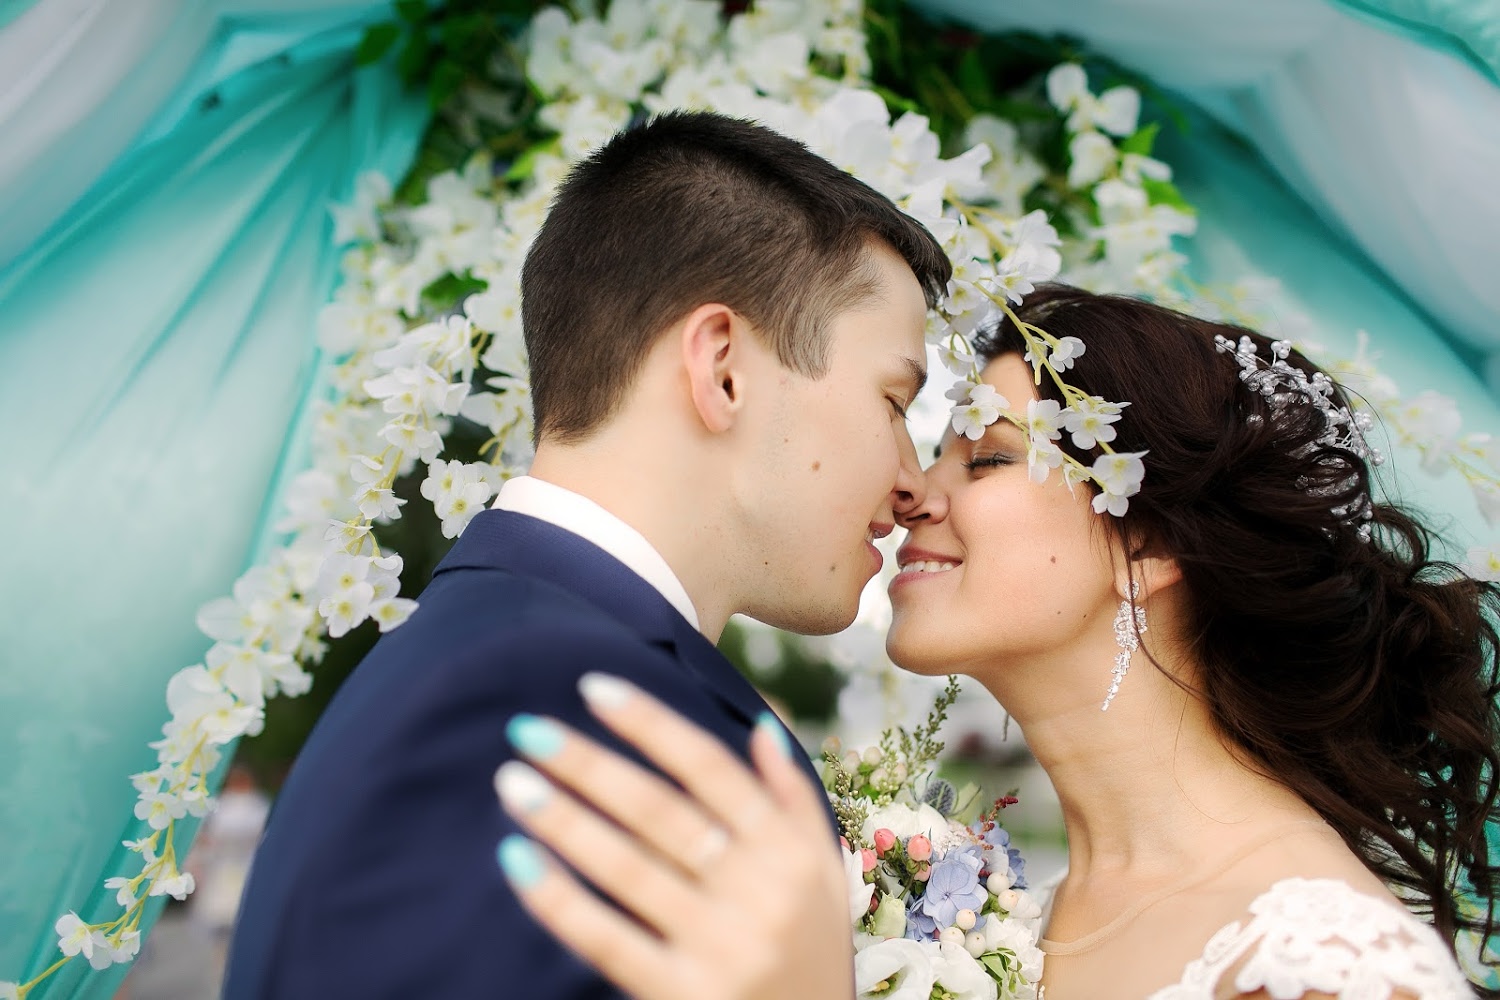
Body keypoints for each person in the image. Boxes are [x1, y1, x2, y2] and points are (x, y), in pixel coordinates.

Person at [494, 286, 1500, 999]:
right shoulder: (994, 922)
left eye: (989, 459)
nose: (912, 490)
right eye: (934, 447)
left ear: (1144, 542)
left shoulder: (1325, 961)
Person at [220, 110, 949, 998]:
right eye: (894, 400)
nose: (914, 479)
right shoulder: (550, 701)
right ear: (723, 368)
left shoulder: (512, 654)